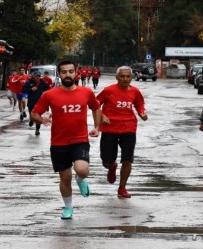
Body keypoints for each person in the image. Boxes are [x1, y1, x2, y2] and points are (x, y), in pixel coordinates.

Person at [31, 60, 101, 220]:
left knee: (82, 169)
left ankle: (81, 178)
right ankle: (68, 208)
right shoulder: (49, 94)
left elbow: (96, 108)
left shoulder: (86, 92)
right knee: (65, 178)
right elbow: (34, 114)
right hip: (58, 143)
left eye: (70, 71)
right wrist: (42, 120)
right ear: (59, 74)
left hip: (80, 139)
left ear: (76, 72)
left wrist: (97, 127)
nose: (68, 74)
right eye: (64, 72)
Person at [96, 66, 147, 198]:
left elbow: (139, 104)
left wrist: (142, 113)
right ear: (117, 77)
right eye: (122, 76)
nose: (125, 79)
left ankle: (122, 187)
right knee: (106, 162)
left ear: (132, 77)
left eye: (128, 76)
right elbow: (95, 104)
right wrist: (102, 116)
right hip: (110, 129)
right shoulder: (108, 90)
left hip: (129, 128)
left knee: (127, 160)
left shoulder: (135, 91)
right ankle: (112, 167)